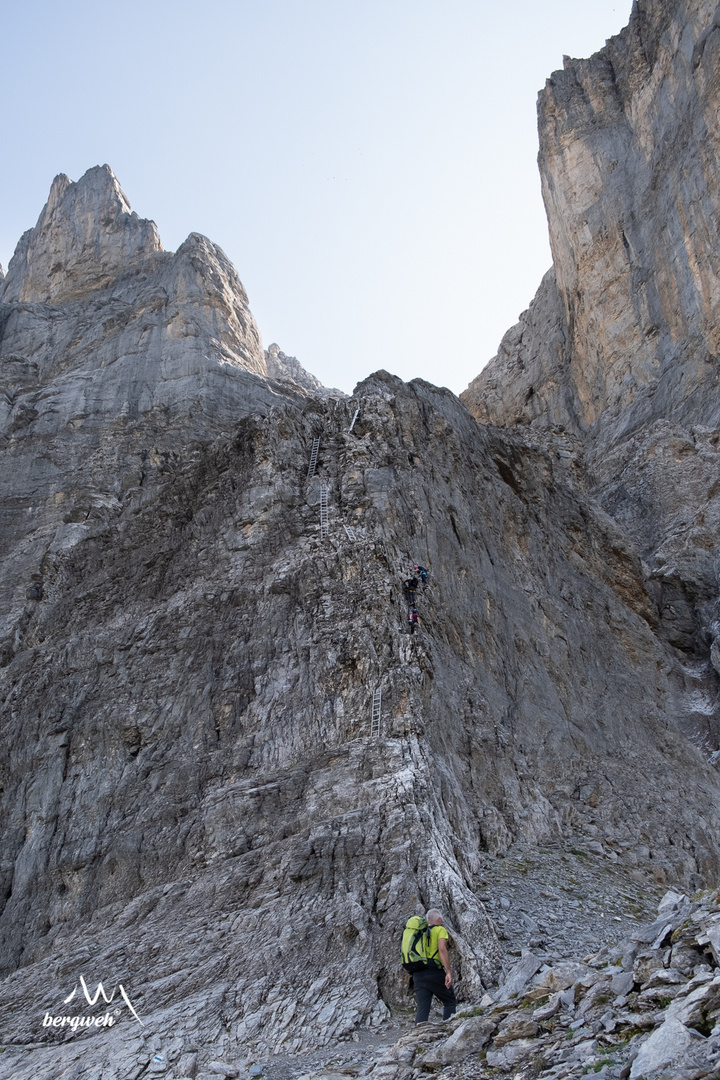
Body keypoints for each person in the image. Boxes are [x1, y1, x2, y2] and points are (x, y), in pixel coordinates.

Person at [414, 909, 456, 1024]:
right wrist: (448, 972)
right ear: (439, 919)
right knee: (449, 1001)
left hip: (417, 972)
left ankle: (417, 1037)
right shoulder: (440, 929)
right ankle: (448, 1031)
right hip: (433, 971)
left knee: (423, 1009)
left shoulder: (419, 931)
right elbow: (442, 949)